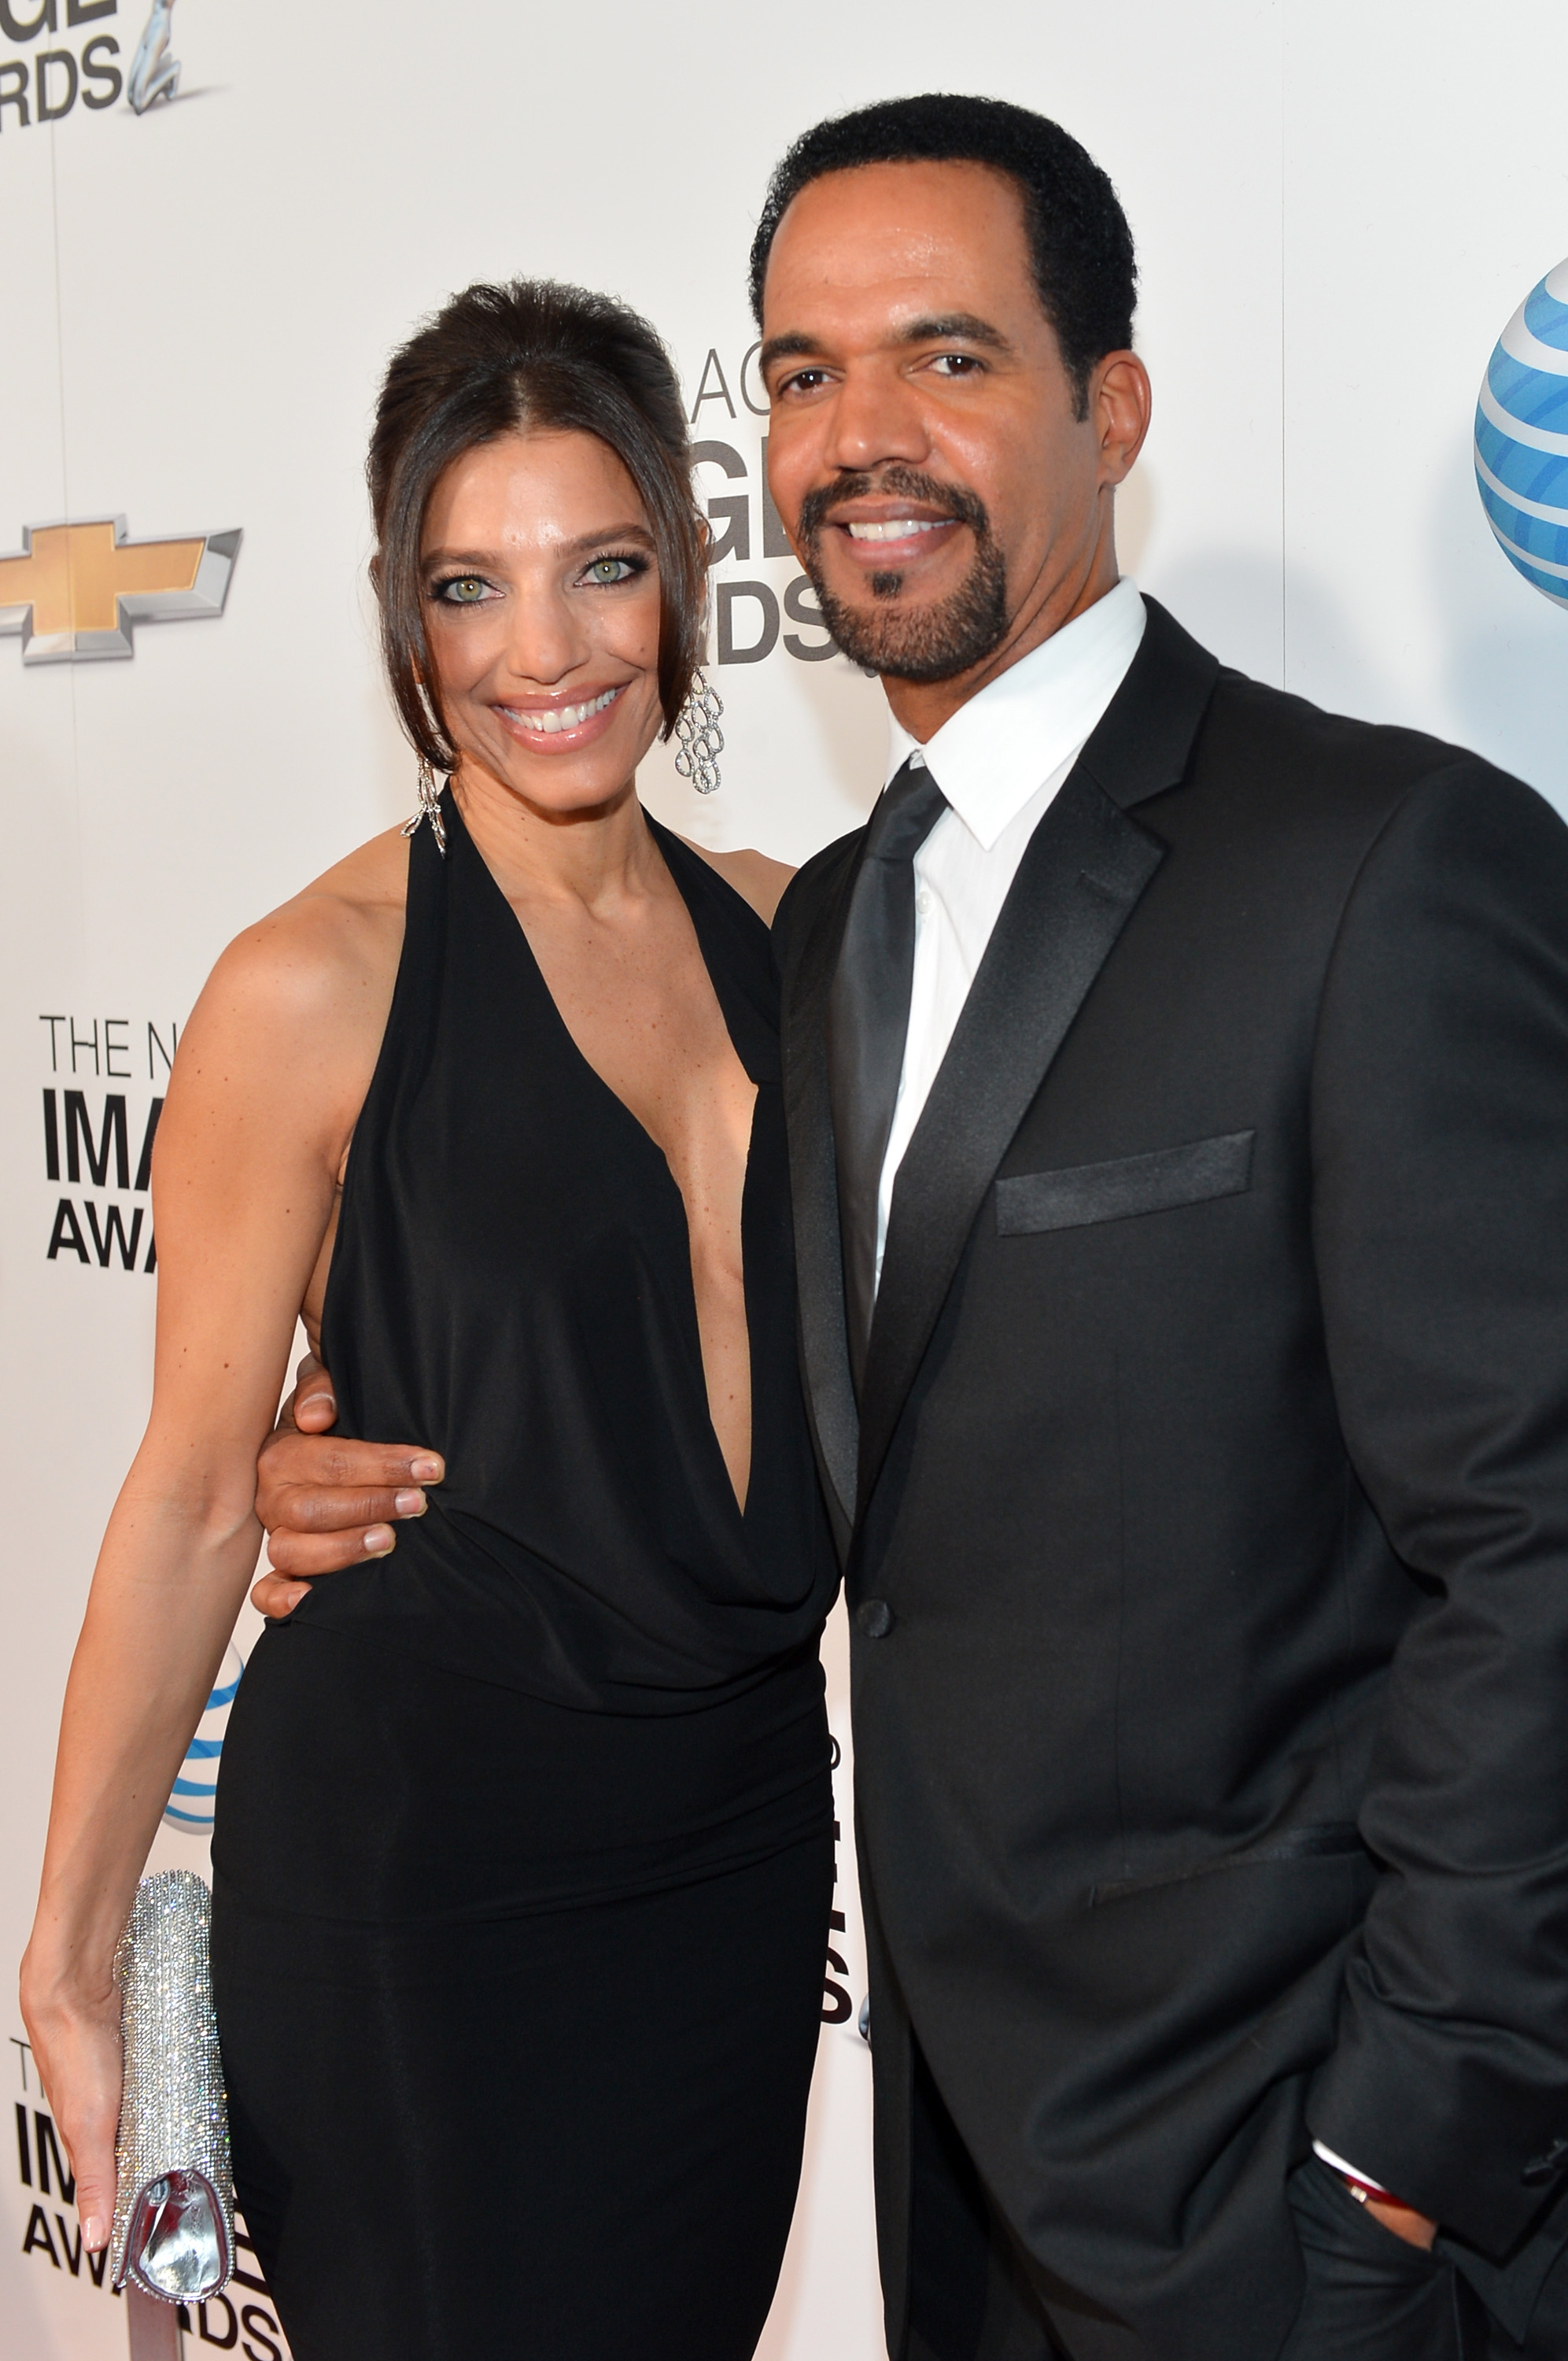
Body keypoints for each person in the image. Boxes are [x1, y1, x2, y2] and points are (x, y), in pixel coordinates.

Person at [256, 98, 1568, 2361]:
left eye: (944, 356)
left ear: (1110, 409)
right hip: (939, 2171)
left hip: (1290, 2191)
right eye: (796, 372)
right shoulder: (826, 924)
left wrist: (1405, 2149)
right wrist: (370, 1447)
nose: (862, 435)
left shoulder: (1381, 864)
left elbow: (1537, 1541)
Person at [20, 278, 840, 2361]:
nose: (544, 652)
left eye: (603, 568)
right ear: (407, 621)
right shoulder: (311, 983)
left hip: (738, 1844)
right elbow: (203, 1492)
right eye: (472, 588)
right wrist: (70, 1956)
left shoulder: (791, 927)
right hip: (428, 1866)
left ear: (686, 570)